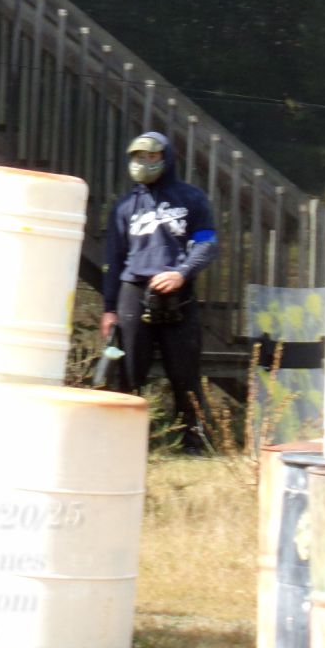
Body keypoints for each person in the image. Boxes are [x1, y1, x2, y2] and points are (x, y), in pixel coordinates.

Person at [101, 131, 219, 454]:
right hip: (133, 292)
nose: (144, 162)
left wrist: (182, 273)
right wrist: (109, 308)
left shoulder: (192, 198)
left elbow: (207, 244)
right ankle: (125, 445)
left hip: (178, 294)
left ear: (166, 159)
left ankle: (194, 443)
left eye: (152, 156)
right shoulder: (125, 206)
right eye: (139, 157)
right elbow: (113, 259)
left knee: (185, 373)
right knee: (129, 372)